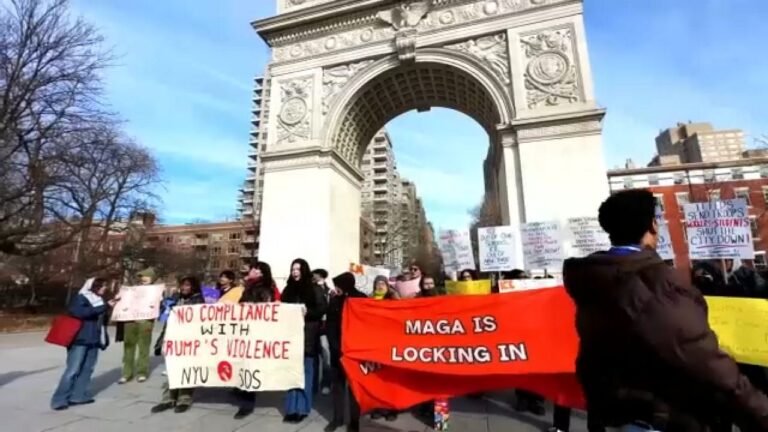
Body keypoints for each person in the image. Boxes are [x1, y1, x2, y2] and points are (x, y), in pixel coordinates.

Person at [563, 189, 768, 431]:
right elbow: (709, 366)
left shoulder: (596, 279)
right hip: (670, 417)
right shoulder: (657, 286)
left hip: (623, 412)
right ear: (651, 225)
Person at [51, 278, 117, 410]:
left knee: (87, 369)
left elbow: (101, 320)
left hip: (93, 340)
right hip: (79, 339)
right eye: (102, 286)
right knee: (73, 370)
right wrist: (105, 307)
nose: (105, 288)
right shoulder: (81, 298)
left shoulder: (99, 301)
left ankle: (78, 396)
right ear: (93, 286)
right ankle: (59, 400)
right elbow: (81, 313)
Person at [280, 258, 328, 424]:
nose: (295, 272)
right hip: (290, 336)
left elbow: (322, 308)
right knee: (291, 373)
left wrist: (307, 312)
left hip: (308, 335)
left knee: (306, 373)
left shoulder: (314, 289)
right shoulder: (287, 289)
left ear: (304, 270)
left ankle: (302, 408)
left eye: (298, 269)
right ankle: (291, 408)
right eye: (293, 269)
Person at [150, 276, 204, 414]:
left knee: (186, 370)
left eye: (188, 285)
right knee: (172, 369)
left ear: (193, 287)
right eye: (183, 285)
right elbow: (167, 320)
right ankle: (168, 398)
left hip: (189, 340)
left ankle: (184, 399)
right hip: (173, 339)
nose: (184, 288)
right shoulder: (175, 298)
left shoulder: (198, 300)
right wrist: (161, 340)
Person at [233, 262, 280, 419]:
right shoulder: (250, 286)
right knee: (244, 365)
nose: (250, 270)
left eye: (254, 268)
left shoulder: (263, 287)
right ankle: (243, 392)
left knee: (250, 367)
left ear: (260, 272)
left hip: (255, 332)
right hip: (246, 331)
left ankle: (247, 404)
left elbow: (265, 308)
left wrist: (250, 306)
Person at [324, 272, 367, 432]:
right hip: (338, 351)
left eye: (338, 285)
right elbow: (330, 325)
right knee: (338, 386)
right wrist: (334, 346)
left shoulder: (361, 299)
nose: (336, 288)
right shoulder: (335, 301)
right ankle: (337, 419)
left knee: (354, 388)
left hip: (355, 352)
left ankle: (354, 421)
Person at [119, 268, 157, 384]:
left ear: (152, 278)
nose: (143, 279)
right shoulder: (131, 290)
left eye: (146, 276)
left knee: (144, 347)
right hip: (130, 320)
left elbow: (156, 305)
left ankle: (142, 372)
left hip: (145, 321)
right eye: (141, 277)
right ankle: (126, 373)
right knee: (128, 346)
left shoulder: (155, 291)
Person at [370, 275, 399, 422]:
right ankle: (378, 407)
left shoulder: (393, 300)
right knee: (376, 379)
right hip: (374, 345)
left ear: (388, 286)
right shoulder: (368, 301)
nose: (380, 286)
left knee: (390, 379)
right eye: (377, 283)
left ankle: (392, 409)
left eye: (383, 283)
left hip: (390, 344)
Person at [312, 268, 333, 396]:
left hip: (325, 328)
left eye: (318, 276)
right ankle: (313, 384)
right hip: (314, 326)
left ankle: (326, 382)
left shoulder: (329, 291)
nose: (316, 278)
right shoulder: (311, 290)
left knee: (326, 355)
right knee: (312, 356)